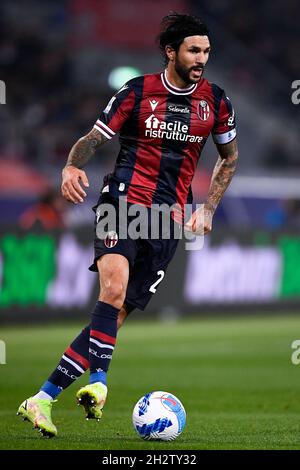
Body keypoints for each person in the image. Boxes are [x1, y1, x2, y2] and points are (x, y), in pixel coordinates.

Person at [17, 13, 238, 437]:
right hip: (122, 202)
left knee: (113, 318)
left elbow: (229, 158)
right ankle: (98, 382)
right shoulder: (136, 92)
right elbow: (95, 138)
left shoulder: (217, 101)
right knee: (112, 290)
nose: (201, 59)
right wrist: (69, 165)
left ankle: (42, 398)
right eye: (194, 50)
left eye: (207, 51)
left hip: (168, 219)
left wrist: (208, 208)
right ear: (171, 52)